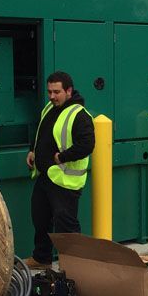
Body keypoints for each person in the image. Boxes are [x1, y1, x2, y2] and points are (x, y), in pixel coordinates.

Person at [25, 71, 95, 269]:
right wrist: (32, 150)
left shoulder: (79, 115)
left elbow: (87, 144)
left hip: (65, 181)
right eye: (49, 92)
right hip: (46, 175)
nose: (52, 96)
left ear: (69, 91)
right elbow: (41, 131)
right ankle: (42, 258)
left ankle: (75, 265)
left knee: (66, 225)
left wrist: (62, 157)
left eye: (56, 92)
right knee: (40, 218)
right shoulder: (50, 107)